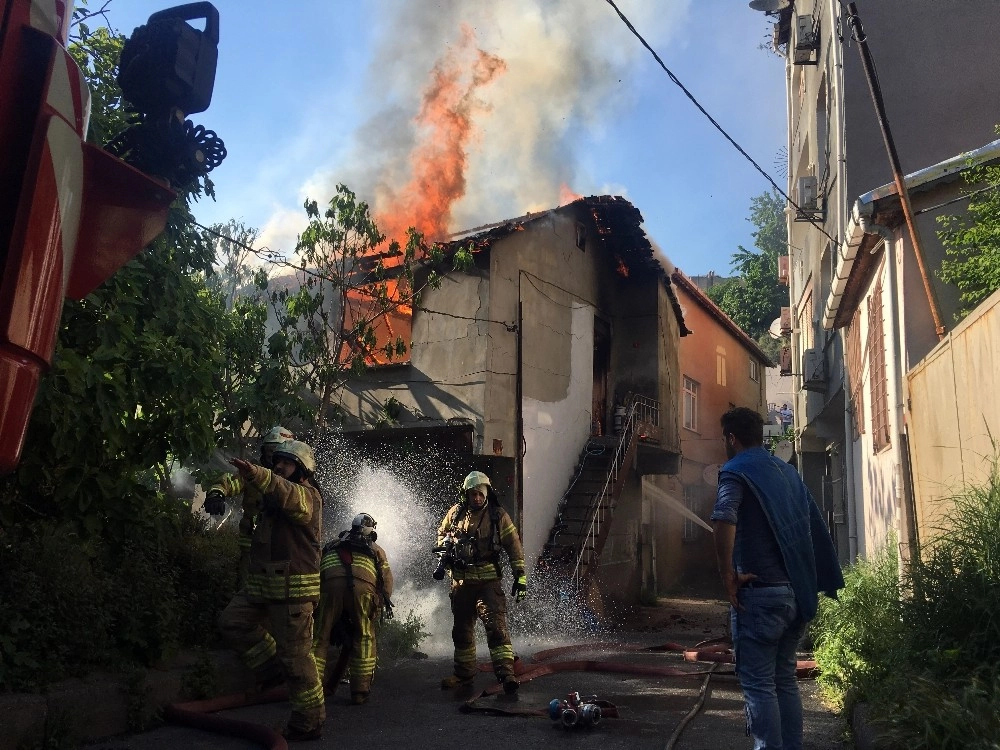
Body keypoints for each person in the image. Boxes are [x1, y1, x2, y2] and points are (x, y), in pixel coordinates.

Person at [711, 407, 843, 750]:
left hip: (760, 596)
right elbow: (812, 525)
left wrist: (727, 575)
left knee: (758, 685)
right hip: (796, 593)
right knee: (784, 680)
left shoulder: (735, 470)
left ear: (731, 438)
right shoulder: (786, 471)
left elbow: (724, 517)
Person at [217, 439, 325, 742]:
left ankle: (309, 721)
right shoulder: (272, 501)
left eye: (286, 463)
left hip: (292, 594)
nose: (278, 467)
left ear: (302, 470)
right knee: (232, 622)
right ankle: (271, 670)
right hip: (262, 589)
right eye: (276, 462)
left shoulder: (306, 496)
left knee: (298, 660)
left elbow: (285, 491)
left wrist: (257, 473)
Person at [436, 470, 526, 694]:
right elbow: (441, 535)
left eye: (480, 493)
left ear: (487, 493)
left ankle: (507, 675)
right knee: (462, 631)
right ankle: (463, 675)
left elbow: (514, 546)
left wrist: (520, 576)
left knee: (496, 628)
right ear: (465, 494)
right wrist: (446, 550)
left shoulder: (498, 515)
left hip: (488, 581)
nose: (476, 498)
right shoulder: (455, 514)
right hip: (461, 583)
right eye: (472, 494)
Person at [312, 512, 394, 706]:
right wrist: (381, 602)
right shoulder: (376, 549)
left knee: (320, 637)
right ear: (372, 530)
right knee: (364, 636)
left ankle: (312, 688)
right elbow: (386, 579)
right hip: (362, 591)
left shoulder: (333, 544)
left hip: (329, 588)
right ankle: (359, 691)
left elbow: (317, 568)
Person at [204, 425, 295, 589]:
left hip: (283, 551)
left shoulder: (297, 482)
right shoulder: (252, 473)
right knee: (246, 591)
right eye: (270, 450)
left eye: (278, 451)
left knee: (279, 596)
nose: (273, 456)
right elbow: (230, 483)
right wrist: (216, 493)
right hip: (252, 548)